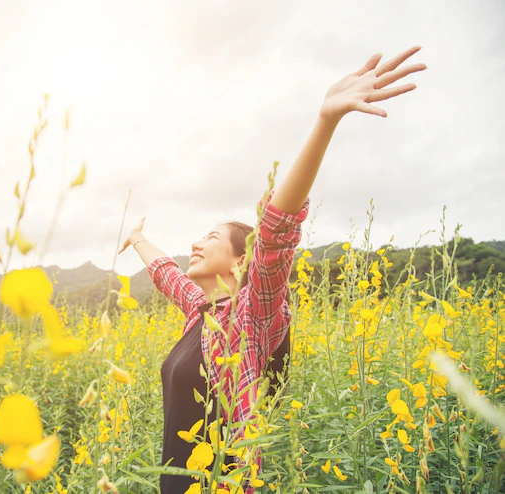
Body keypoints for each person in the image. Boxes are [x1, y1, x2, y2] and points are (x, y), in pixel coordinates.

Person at [118, 46, 426, 493]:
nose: (195, 244)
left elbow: (277, 234)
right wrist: (137, 239)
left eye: (211, 237)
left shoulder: (250, 321)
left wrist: (325, 122)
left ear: (241, 261)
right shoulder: (201, 316)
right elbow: (168, 274)